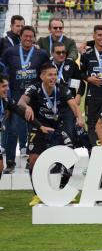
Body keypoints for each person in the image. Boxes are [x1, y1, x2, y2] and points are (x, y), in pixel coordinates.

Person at [19, 63, 84, 206]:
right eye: (50, 74)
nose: (53, 77)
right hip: (39, 127)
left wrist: (79, 118)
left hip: (57, 128)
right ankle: (37, 194)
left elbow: (74, 105)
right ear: (42, 76)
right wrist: (27, 106)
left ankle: (62, 189)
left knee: (69, 155)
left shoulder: (61, 89)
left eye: (55, 74)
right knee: (33, 160)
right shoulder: (35, 88)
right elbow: (21, 101)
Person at [2, 26, 49, 174]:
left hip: (33, 98)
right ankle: (10, 161)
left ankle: (33, 160)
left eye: (31, 36)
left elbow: (47, 71)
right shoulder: (10, 52)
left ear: (34, 38)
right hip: (15, 95)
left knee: (33, 129)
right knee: (13, 129)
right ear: (20, 37)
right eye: (25, 36)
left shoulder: (41, 54)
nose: (28, 39)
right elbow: (3, 70)